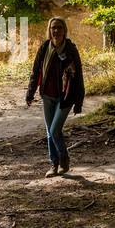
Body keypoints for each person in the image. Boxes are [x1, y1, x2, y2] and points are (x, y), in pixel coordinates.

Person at [25, 16, 85, 176]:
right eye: (53, 28)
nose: (56, 31)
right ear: (49, 30)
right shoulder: (45, 47)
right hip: (47, 95)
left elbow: (78, 75)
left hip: (65, 97)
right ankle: (54, 164)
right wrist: (30, 93)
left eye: (59, 27)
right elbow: (36, 70)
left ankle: (64, 159)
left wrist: (79, 101)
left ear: (64, 30)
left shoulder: (70, 49)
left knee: (54, 130)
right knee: (49, 131)